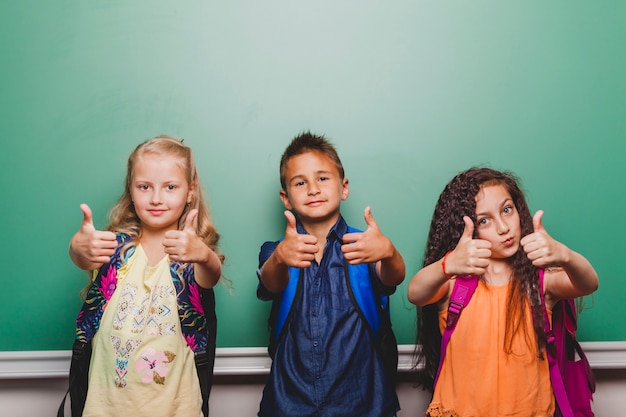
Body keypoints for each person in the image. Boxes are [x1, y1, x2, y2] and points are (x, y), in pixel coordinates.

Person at [407, 167, 599, 417]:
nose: (503, 227)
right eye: (484, 220)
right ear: (468, 229)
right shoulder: (456, 282)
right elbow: (416, 293)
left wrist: (565, 255)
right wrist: (447, 265)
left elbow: (588, 283)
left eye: (507, 210)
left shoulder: (539, 282)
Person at [64, 136, 224, 417]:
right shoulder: (115, 249)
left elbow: (210, 276)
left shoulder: (191, 254)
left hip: (176, 409)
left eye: (170, 187)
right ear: (131, 189)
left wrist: (203, 254)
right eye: (144, 187)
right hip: (105, 408)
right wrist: (78, 247)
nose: (156, 198)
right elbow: (83, 258)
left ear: (190, 191)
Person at [256, 132, 406, 417]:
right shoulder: (276, 251)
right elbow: (270, 282)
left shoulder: (364, 245)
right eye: (300, 182)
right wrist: (280, 258)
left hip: (364, 402)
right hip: (289, 402)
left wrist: (389, 251)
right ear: (286, 198)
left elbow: (393, 277)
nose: (313, 189)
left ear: (344, 187)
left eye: (323, 178)